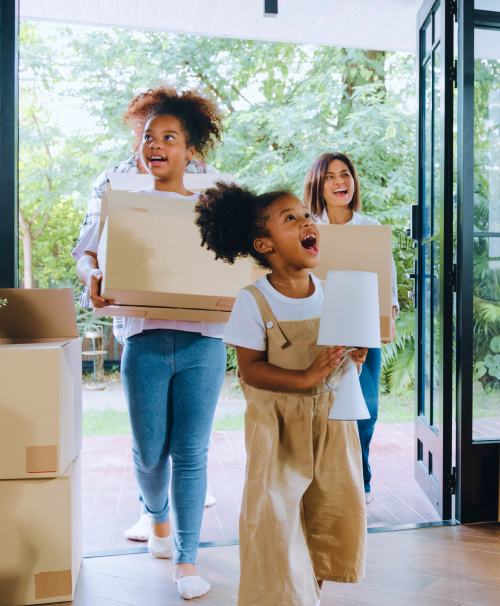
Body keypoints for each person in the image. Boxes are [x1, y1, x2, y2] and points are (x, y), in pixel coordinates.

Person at [74, 86, 226, 601]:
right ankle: (156, 518)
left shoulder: (214, 198)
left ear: (191, 148)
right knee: (148, 452)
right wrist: (92, 274)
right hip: (141, 335)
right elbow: (87, 253)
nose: (156, 144)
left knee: (191, 452)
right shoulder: (118, 190)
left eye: (169, 137)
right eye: (148, 136)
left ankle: (187, 559)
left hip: (204, 340)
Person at [195, 182, 368, 606]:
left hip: (330, 426)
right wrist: (306, 376)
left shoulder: (332, 293)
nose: (307, 221)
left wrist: (354, 357)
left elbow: (343, 365)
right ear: (264, 244)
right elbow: (251, 371)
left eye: (307, 215)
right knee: (277, 522)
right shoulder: (253, 301)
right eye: (290, 218)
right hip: (277, 430)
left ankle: (312, 596)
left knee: (327, 517)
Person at [304, 152, 399, 505]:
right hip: (318, 331)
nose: (339, 182)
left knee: (366, 411)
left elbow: (386, 285)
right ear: (318, 183)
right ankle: (323, 481)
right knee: (322, 408)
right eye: (330, 176)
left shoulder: (371, 229)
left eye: (345, 174)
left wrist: (383, 325)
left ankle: (362, 480)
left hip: (363, 333)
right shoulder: (307, 227)